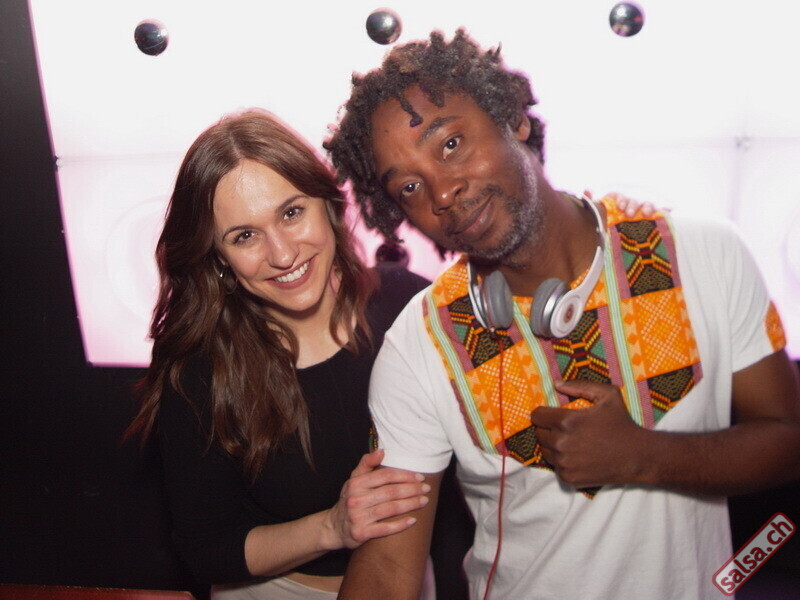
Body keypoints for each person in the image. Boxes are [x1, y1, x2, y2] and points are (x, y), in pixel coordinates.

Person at [324, 30, 800, 599]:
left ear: (512, 119)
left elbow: (787, 439)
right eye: (408, 186)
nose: (442, 193)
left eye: (450, 144)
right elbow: (387, 570)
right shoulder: (421, 343)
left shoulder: (706, 253)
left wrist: (644, 457)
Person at [124, 109, 433, 599]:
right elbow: (206, 549)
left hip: (407, 580)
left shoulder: (409, 305)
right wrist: (332, 527)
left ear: (328, 203)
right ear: (219, 258)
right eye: (245, 236)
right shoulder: (201, 368)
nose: (284, 254)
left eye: (291, 213)